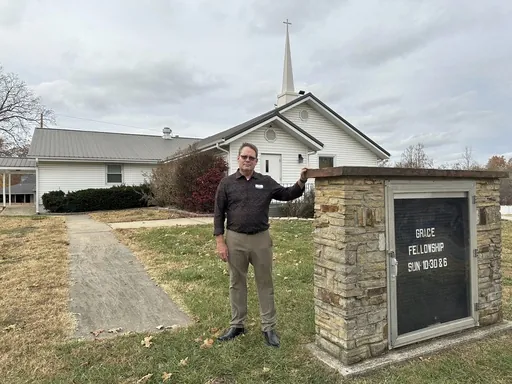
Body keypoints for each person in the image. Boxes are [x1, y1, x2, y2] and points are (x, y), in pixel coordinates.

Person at [213, 142, 308, 348]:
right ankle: (237, 325)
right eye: (244, 157)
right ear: (238, 159)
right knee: (236, 282)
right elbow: (219, 213)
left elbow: (287, 194)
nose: (247, 160)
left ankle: (268, 327)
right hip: (235, 238)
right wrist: (220, 241)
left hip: (261, 239)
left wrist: (301, 181)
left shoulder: (265, 182)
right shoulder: (227, 184)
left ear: (256, 161)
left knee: (265, 283)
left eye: (252, 158)